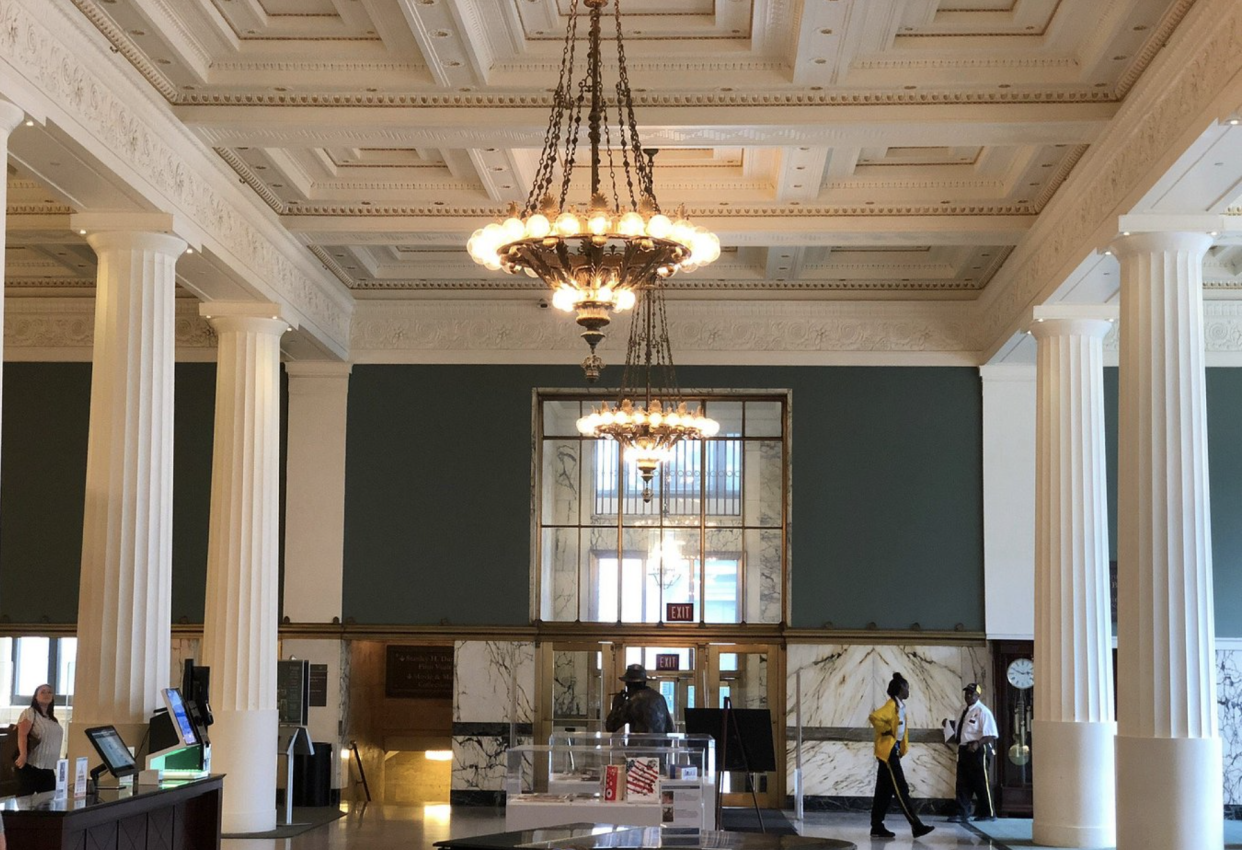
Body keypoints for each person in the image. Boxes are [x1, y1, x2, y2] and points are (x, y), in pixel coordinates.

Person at [868, 672, 934, 839]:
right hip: (888, 753)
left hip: (892, 752)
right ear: (899, 689)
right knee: (901, 789)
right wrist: (887, 730)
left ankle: (877, 826)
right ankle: (916, 825)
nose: (908, 690)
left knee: (884, 791)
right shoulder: (891, 705)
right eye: (906, 687)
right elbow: (874, 717)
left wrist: (901, 748)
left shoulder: (900, 707)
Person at [945, 682, 998, 823]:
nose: (968, 696)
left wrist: (977, 743)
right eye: (967, 693)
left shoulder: (983, 711)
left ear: (978, 695)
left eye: (972, 693)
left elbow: (991, 734)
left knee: (981, 782)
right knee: (962, 782)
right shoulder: (962, 710)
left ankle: (988, 812)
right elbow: (962, 729)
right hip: (964, 749)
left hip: (978, 749)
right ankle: (962, 812)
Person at [16, 683, 64, 796]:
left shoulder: (51, 718)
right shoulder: (30, 713)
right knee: (25, 801)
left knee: (49, 801)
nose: (47, 694)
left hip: (48, 767)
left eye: (49, 692)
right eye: (43, 692)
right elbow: (22, 734)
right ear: (36, 697)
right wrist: (23, 754)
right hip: (32, 766)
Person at [605, 664, 674, 734]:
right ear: (644, 682)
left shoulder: (632, 701)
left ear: (629, 684)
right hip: (659, 744)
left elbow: (611, 727)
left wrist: (617, 705)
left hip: (638, 744)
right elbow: (670, 728)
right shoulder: (660, 698)